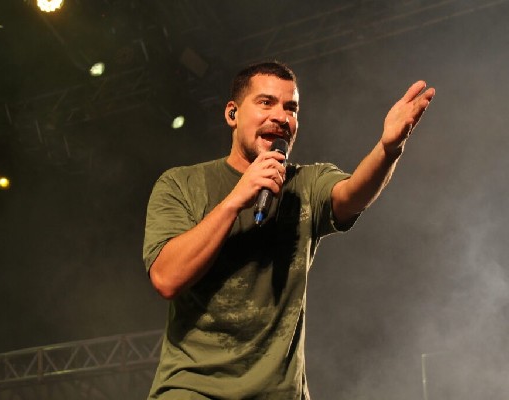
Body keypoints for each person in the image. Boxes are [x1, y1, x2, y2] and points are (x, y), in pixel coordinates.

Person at [142, 61, 434, 399]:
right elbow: (166, 278)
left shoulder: (306, 183)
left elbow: (352, 195)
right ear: (232, 113)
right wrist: (236, 199)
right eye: (266, 103)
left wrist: (388, 149)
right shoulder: (181, 184)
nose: (281, 117)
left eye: (291, 108)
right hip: (192, 390)